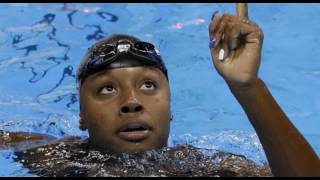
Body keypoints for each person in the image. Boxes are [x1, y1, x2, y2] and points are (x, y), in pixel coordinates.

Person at [0, 3, 319, 177]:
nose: (131, 102)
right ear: (82, 116)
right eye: (107, 89)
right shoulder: (53, 156)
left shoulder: (202, 170)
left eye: (148, 85)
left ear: (171, 109)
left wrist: (248, 87)